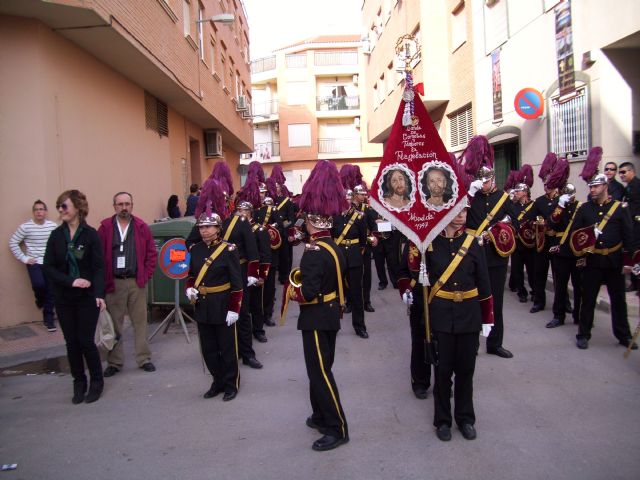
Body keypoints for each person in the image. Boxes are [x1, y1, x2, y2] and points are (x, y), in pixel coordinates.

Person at [400, 206, 494, 441]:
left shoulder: (473, 243)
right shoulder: (429, 244)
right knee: (442, 371)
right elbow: (421, 281)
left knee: (466, 371)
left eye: (465, 211)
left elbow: (483, 282)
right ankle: (442, 420)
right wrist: (415, 279)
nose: (461, 215)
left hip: (469, 315)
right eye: (457, 211)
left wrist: (487, 318)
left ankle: (465, 418)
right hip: (441, 314)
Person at [286, 160, 349, 451]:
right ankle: (320, 415)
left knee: (320, 372)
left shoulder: (312, 253)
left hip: (315, 317)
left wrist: (291, 291)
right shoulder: (335, 247)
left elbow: (307, 293)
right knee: (321, 368)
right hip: (331, 313)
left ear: (311, 222)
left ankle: (336, 427)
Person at [570, 150, 637, 350]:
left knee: (618, 301)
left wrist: (629, 262)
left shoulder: (619, 208)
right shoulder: (585, 209)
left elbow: (629, 237)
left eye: (596, 186)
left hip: (614, 261)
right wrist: (589, 235)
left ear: (605, 186)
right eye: (591, 186)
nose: (592, 189)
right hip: (592, 262)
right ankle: (583, 334)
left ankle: (623, 335)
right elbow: (576, 234)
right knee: (588, 300)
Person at [43, 190, 105, 404]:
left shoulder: (90, 235)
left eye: (65, 206)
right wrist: (70, 281)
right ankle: (79, 382)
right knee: (71, 342)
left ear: (78, 208)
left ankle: (97, 381)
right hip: (64, 296)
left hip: (87, 297)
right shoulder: (56, 236)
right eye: (59, 206)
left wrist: (99, 293)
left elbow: (98, 267)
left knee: (86, 340)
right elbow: (48, 267)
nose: (61, 210)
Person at [463, 135, 517, 359]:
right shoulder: (470, 198)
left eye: (487, 180)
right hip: (472, 254)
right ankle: (472, 343)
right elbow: (457, 215)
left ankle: (495, 343)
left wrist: (499, 228)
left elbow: (516, 222)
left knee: (496, 301)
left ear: (493, 179)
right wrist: (471, 192)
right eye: (480, 181)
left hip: (495, 256)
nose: (484, 184)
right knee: (474, 301)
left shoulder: (504, 199)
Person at [97, 192, 158, 377]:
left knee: (140, 322)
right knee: (115, 324)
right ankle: (115, 362)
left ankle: (143, 358)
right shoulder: (106, 227)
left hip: (136, 282)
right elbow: (98, 256)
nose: (124, 207)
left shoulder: (141, 226)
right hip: (114, 282)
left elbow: (151, 253)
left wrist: (145, 275)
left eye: (127, 204)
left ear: (132, 205)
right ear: (114, 206)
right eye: (120, 204)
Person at [185, 209, 243, 401]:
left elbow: (237, 283)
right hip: (203, 305)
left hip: (223, 304)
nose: (204, 231)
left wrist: (234, 309)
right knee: (208, 348)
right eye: (201, 227)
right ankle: (217, 381)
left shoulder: (229, 250)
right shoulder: (196, 250)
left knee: (227, 348)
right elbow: (191, 275)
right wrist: (189, 288)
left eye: (209, 227)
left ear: (218, 228)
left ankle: (231, 384)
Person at [522, 153, 562, 315]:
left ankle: (563, 303)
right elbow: (527, 219)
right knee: (539, 274)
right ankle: (539, 301)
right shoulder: (539, 201)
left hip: (558, 241)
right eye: (545, 183)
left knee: (560, 276)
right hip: (542, 241)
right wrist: (537, 224)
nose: (546, 186)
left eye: (549, 183)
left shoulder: (563, 200)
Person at [10, 200, 58, 331]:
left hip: (49, 263)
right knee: (39, 285)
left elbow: (58, 243)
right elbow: (13, 243)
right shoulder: (25, 227)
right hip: (34, 263)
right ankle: (40, 299)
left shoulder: (53, 226)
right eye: (36, 209)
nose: (39, 212)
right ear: (33, 212)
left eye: (41, 209)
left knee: (50, 292)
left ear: (45, 212)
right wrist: (24, 258)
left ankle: (49, 321)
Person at [332, 189, 369, 338]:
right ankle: (333, 325)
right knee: (334, 292)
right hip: (338, 256)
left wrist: (356, 251)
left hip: (354, 257)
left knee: (356, 292)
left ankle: (359, 326)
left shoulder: (359, 217)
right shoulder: (334, 217)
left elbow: (363, 240)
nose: (346, 201)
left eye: (348, 198)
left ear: (351, 199)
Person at [547, 182, 582, 328]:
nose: (568, 197)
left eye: (570, 194)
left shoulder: (581, 207)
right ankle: (558, 315)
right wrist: (560, 207)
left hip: (577, 250)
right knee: (560, 286)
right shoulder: (558, 206)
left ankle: (578, 315)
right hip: (561, 250)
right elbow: (552, 224)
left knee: (579, 286)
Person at [352, 184, 378, 312]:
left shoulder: (367, 209)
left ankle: (366, 301)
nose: (364, 196)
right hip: (351, 246)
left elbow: (374, 226)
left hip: (365, 246)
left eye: (364, 194)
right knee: (351, 275)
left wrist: (375, 237)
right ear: (355, 195)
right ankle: (350, 302)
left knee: (366, 274)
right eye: (362, 194)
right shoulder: (348, 209)